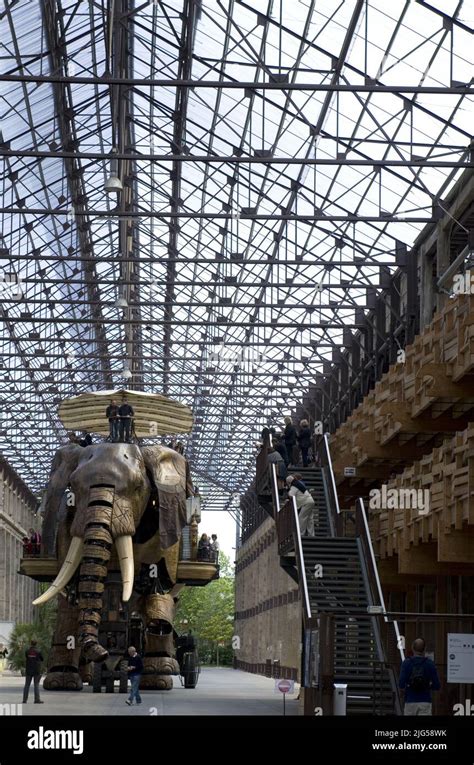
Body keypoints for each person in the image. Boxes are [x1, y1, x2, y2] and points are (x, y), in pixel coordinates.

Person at [399, 638, 441, 715]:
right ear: (425, 649)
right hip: (425, 701)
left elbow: (401, 683)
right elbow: (437, 686)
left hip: (410, 700)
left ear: (412, 648)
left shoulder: (406, 663)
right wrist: (428, 685)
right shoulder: (430, 664)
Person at [22, 640, 44, 704]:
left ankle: (24, 700)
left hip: (28, 670)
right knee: (36, 685)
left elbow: (26, 657)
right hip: (36, 670)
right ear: (36, 644)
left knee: (27, 685)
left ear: (30, 644)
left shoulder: (27, 651)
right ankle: (37, 700)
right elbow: (42, 659)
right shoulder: (39, 651)